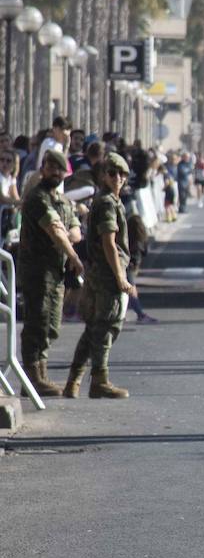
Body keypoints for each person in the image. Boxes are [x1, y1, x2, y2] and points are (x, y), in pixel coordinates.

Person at [63, 154, 139, 399]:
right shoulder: (107, 202)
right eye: (113, 173)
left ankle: (74, 381)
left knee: (94, 328)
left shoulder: (109, 200)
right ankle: (99, 380)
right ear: (104, 175)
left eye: (122, 174)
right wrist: (120, 277)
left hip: (100, 270)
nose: (118, 178)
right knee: (106, 327)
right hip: (106, 272)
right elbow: (109, 242)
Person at [18, 149, 84, 396]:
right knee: (37, 321)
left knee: (53, 324)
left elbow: (75, 230)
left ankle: (42, 374)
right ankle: (32, 379)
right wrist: (73, 255)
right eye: (50, 167)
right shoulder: (38, 198)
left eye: (59, 168)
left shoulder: (64, 201)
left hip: (56, 272)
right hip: (37, 270)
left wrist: (67, 237)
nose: (54, 172)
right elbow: (54, 230)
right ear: (43, 169)